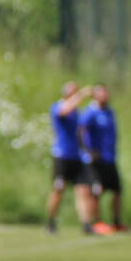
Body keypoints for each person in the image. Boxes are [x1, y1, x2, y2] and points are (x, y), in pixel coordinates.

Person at [46, 81, 98, 234]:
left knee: (83, 190)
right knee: (58, 189)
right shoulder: (58, 107)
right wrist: (82, 94)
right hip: (62, 155)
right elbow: (64, 110)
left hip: (76, 156)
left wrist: (87, 150)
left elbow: (79, 133)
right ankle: (50, 221)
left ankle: (86, 224)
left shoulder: (76, 112)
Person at [79, 83, 126, 232]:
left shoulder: (109, 112)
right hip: (95, 160)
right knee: (96, 191)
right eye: (102, 92)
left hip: (109, 158)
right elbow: (80, 131)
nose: (105, 95)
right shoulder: (90, 112)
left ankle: (116, 221)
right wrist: (88, 151)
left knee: (117, 190)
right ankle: (96, 222)